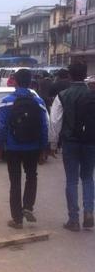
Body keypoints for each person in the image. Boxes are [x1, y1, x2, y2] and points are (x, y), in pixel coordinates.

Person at [0, 68, 49, 228]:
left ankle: (17, 219)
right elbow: (44, 126)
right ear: (31, 82)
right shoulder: (39, 102)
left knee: (15, 181)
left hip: (13, 147)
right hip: (33, 146)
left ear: (15, 82)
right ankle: (28, 207)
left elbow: (2, 127)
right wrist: (43, 148)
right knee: (31, 176)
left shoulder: (7, 101)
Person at [49, 62, 95, 231]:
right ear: (85, 74)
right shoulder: (92, 94)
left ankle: (73, 219)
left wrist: (53, 143)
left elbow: (55, 121)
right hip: (90, 141)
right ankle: (89, 211)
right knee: (88, 177)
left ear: (69, 75)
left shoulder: (63, 96)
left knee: (72, 180)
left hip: (70, 142)